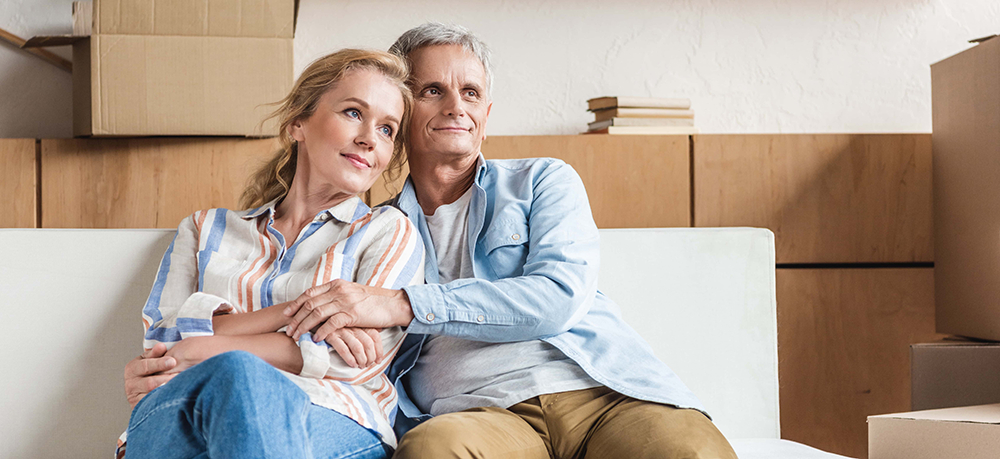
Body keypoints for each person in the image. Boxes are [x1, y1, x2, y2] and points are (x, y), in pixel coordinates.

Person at [125, 24, 738, 458]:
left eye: (471, 92)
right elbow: (169, 338)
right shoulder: (370, 224)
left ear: (488, 114)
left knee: (689, 452)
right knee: (431, 454)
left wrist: (395, 305)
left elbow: (556, 297)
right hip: (473, 417)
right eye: (432, 92)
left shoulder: (538, 183)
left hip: (598, 393)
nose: (457, 107)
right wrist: (297, 320)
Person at [117, 48, 424, 459]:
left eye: (388, 129)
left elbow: (355, 362)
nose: (370, 138)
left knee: (241, 378)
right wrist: (295, 313)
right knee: (235, 378)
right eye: (353, 112)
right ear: (298, 122)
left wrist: (205, 346)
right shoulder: (204, 229)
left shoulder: (387, 232)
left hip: (329, 415)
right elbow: (163, 345)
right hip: (183, 410)